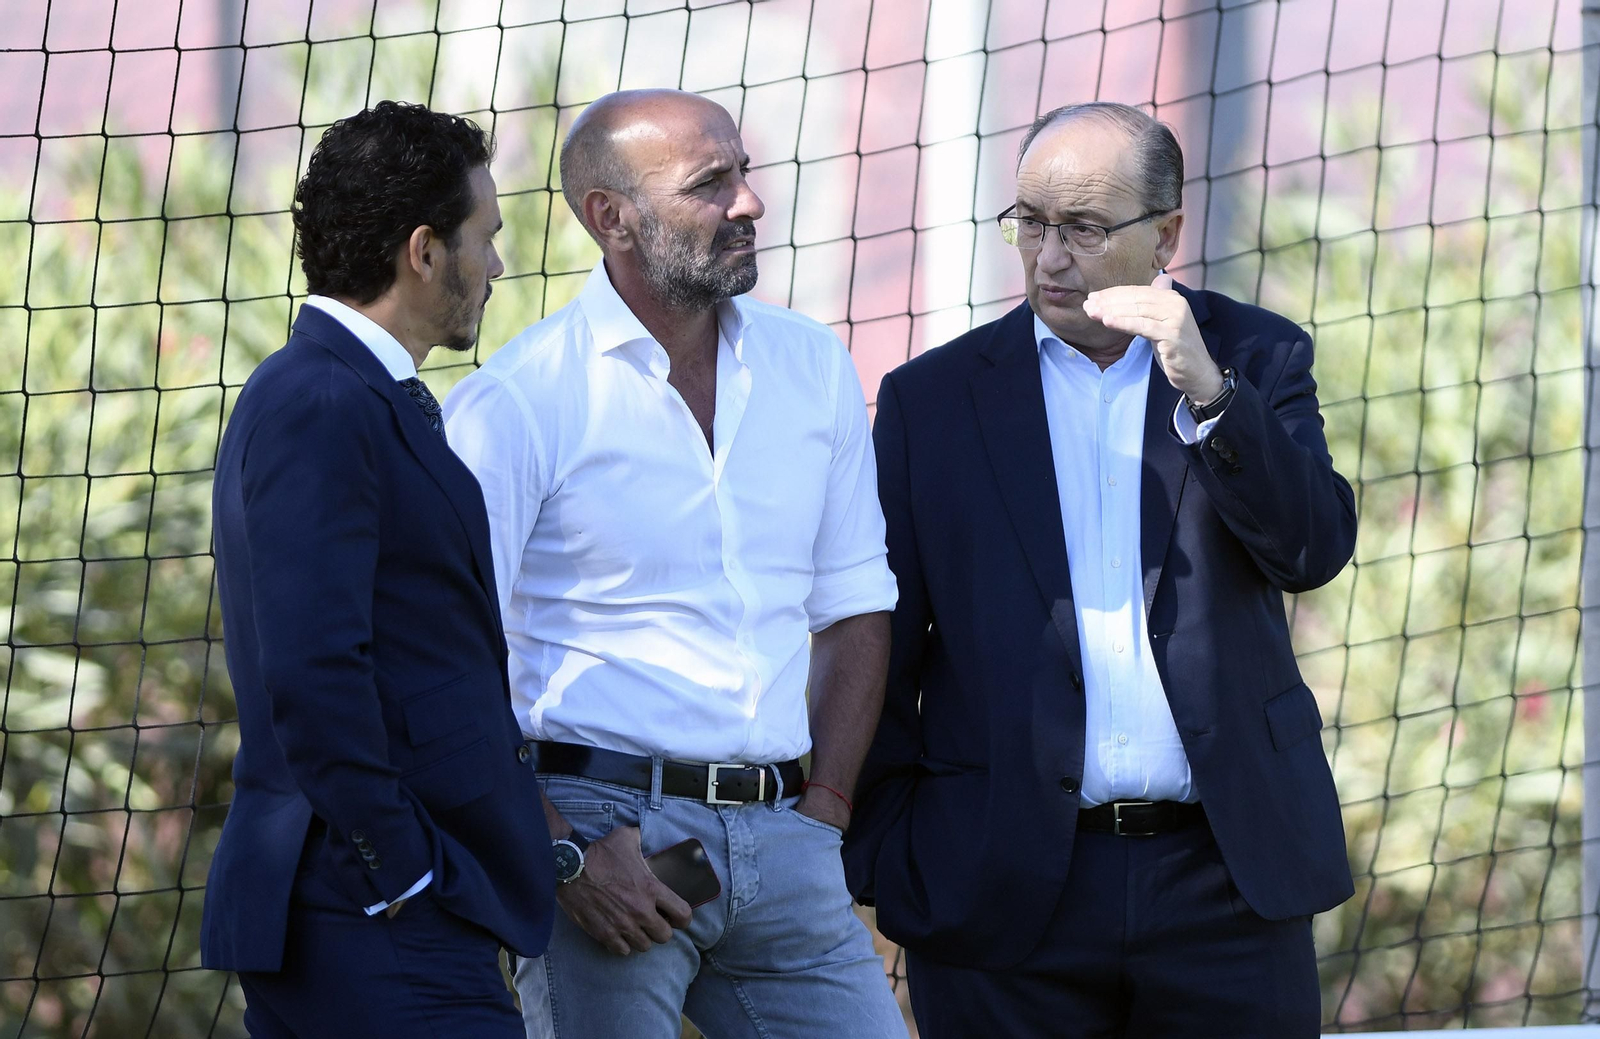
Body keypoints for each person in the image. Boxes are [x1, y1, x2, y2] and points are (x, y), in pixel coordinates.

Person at [842, 101, 1357, 1038]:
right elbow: (879, 640)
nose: (1047, 257)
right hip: (1000, 892)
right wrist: (893, 851)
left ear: (1165, 233)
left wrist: (1211, 393)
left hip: (1228, 883)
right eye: (1030, 223)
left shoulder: (1255, 357)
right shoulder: (931, 402)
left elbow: (1311, 548)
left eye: (1082, 228)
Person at [443, 88, 908, 1039]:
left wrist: (823, 814)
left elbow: (857, 605)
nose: (749, 203)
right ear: (611, 218)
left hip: (789, 836)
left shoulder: (813, 365)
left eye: (743, 171)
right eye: (711, 183)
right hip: (611, 840)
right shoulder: (518, 401)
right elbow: (446, 652)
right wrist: (561, 853)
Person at [202, 100, 555, 1037]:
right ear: (423, 250)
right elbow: (313, 672)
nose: (498, 263)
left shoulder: (349, 392)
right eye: (486, 236)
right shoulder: (320, 400)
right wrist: (402, 872)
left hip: (385, 914)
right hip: (373, 922)